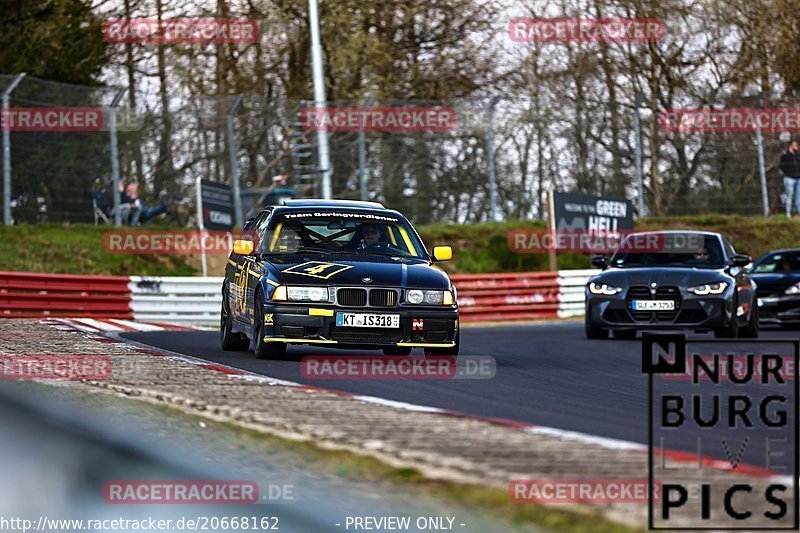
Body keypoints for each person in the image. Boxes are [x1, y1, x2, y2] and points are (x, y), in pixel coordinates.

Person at [780, 140, 800, 217]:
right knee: (789, 196)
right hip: (789, 178)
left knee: (798, 197)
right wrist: (788, 172)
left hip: (798, 178)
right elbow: (782, 167)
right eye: (795, 145)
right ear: (790, 146)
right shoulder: (785, 156)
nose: (797, 147)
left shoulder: (798, 156)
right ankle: (788, 213)